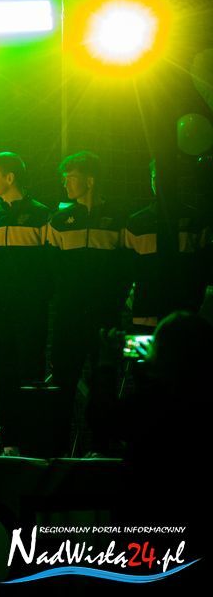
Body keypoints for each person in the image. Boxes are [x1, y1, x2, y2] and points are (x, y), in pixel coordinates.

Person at [47, 151, 129, 453]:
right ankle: (56, 451)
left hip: (104, 317)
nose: (65, 183)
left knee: (104, 383)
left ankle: (101, 448)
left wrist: (113, 302)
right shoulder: (58, 221)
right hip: (68, 318)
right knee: (61, 385)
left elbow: (125, 270)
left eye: (71, 177)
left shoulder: (118, 219)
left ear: (90, 181)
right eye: (64, 178)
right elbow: (51, 271)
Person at [0, 152, 51, 456]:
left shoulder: (41, 214)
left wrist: (38, 298)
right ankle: (10, 444)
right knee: (3, 376)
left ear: (10, 178)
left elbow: (51, 265)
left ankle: (36, 444)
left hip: (30, 310)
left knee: (31, 376)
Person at [123, 159, 209, 328]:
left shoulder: (195, 220)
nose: (158, 183)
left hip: (183, 312)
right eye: (154, 178)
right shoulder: (136, 222)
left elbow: (203, 268)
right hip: (147, 310)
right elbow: (128, 269)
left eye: (162, 178)